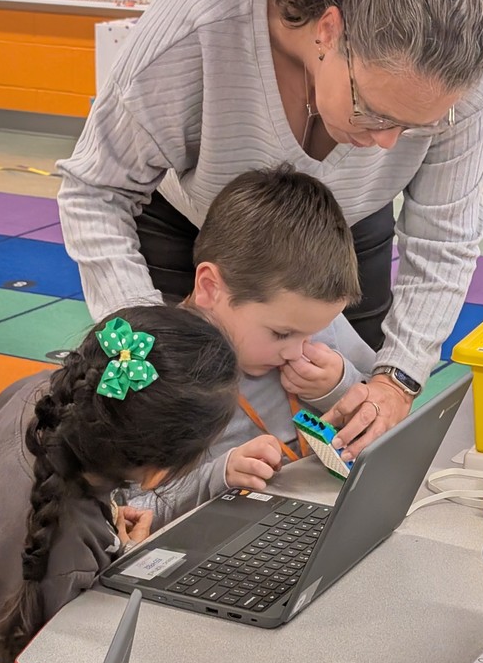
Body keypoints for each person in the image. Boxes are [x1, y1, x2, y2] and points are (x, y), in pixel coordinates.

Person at [57, 0, 483, 465]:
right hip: (189, 224)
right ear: (329, 31)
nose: (389, 145)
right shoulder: (211, 1)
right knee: (168, 427)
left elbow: (445, 237)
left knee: (351, 427)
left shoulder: (458, 64)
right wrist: (138, 347)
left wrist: (397, 379)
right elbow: (96, 189)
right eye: (374, 112)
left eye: (416, 127)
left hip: (339, 232)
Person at [0, 306, 238, 663]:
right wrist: (130, 565)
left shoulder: (34, 397)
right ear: (156, 475)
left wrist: (112, 537)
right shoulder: (67, 553)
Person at [139, 164, 374, 516]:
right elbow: (129, 513)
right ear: (209, 287)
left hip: (324, 513)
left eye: (311, 333)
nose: (298, 351)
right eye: (281, 334)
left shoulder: (314, 320)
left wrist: (339, 387)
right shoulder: (159, 375)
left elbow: (387, 414)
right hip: (228, 531)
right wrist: (218, 476)